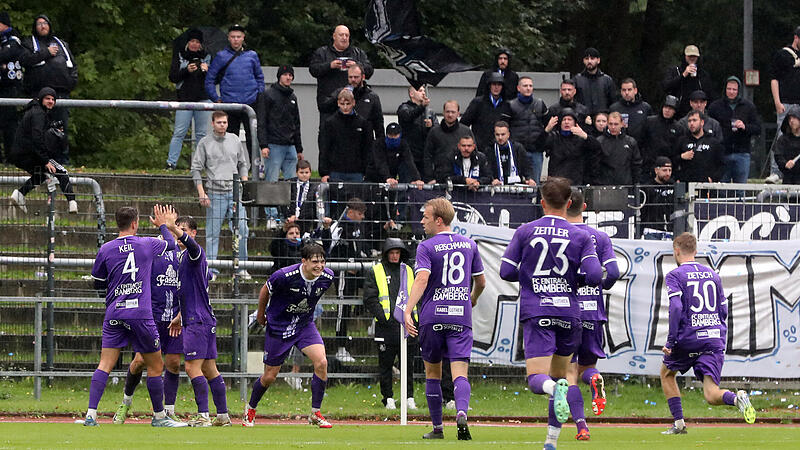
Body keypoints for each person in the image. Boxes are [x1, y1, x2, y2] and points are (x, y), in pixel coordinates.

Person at [498, 177, 602, 450]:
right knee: (560, 378)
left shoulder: (525, 231)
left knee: (538, 381)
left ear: (541, 202)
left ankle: (555, 393)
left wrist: (531, 276)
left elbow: (506, 271)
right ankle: (551, 442)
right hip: (569, 313)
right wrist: (572, 280)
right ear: (569, 203)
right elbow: (594, 274)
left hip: (538, 311)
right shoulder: (581, 235)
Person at [84, 205, 186, 427]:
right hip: (140, 313)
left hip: (115, 312)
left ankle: (91, 415)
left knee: (104, 364)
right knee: (156, 366)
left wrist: (114, 294)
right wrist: (162, 225)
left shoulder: (106, 248)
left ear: (117, 223)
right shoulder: (146, 244)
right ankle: (159, 417)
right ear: (135, 223)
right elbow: (170, 244)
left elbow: (98, 283)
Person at [403, 197, 486, 440]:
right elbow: (481, 281)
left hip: (432, 316)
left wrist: (408, 310)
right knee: (460, 372)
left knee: (433, 373)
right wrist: (473, 298)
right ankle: (461, 411)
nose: (422, 221)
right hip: (460, 316)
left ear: (438, 220)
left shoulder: (426, 247)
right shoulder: (470, 245)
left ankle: (438, 428)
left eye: (426, 217)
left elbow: (421, 279)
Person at [659, 233, 756, 435]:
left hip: (688, 338)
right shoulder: (713, 274)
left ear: (677, 251)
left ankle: (679, 424)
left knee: (667, 374)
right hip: (713, 337)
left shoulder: (675, 276)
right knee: (711, 394)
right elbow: (723, 309)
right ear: (695, 251)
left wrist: (671, 341)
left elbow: (676, 307)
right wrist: (716, 333)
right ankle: (736, 399)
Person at [243, 243, 335, 428]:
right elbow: (265, 291)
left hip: (304, 326)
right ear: (304, 262)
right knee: (269, 376)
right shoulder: (284, 276)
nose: (320, 265)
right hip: (279, 327)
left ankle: (315, 413)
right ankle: (250, 409)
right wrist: (261, 315)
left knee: (322, 362)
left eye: (322, 261)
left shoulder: (327, 277)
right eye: (315, 261)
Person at [112, 206, 184, 424]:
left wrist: (181, 314)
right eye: (171, 223)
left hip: (175, 319)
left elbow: (193, 286)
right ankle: (126, 402)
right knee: (140, 361)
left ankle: (168, 411)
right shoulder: (153, 249)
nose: (175, 228)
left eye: (177, 224)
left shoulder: (183, 255)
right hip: (151, 316)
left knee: (173, 363)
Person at [565, 188, 620, 440]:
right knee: (588, 366)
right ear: (584, 207)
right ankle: (596, 378)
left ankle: (581, 425)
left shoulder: (561, 235)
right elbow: (614, 272)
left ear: (562, 205)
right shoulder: (600, 237)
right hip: (593, 312)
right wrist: (600, 286)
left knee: (569, 373)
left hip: (566, 310)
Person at [191, 110, 250, 280]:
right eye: (219, 122)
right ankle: (212, 269)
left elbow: (242, 164)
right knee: (212, 233)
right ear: (212, 123)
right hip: (215, 192)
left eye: (225, 122)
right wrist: (202, 193)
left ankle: (241, 267)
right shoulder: (205, 143)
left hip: (234, 192)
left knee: (242, 230)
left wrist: (243, 183)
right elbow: (196, 169)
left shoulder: (235, 140)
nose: (222, 125)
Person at [363, 238, 419, 410]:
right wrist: (385, 318)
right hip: (386, 327)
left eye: (397, 253)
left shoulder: (409, 271)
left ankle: (409, 397)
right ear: (386, 254)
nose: (395, 256)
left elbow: (417, 295)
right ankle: (388, 398)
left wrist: (414, 320)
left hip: (407, 326)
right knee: (385, 365)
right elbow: (370, 299)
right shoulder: (376, 271)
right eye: (392, 253)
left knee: (408, 365)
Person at [8, 87, 77, 214]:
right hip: (28, 153)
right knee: (61, 171)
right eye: (47, 98)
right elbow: (37, 137)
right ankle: (72, 203)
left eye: (53, 99)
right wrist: (46, 160)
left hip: (21, 154)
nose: (51, 101)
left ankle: (19, 194)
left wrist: (52, 127)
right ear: (41, 99)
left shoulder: (37, 112)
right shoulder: (38, 113)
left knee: (41, 175)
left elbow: (37, 133)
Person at [20, 14, 77, 164]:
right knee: (38, 128)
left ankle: (62, 160)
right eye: (39, 24)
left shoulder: (62, 44)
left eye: (45, 23)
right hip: (38, 93)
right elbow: (24, 60)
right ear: (35, 27)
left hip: (60, 94)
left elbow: (73, 67)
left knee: (61, 127)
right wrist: (46, 53)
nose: (42, 26)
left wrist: (71, 82)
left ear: (49, 25)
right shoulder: (28, 44)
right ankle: (38, 159)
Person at [205, 24, 264, 164]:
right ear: (228, 38)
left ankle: (255, 167)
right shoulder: (221, 56)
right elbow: (209, 80)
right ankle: (230, 167)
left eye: (238, 37)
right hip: (230, 104)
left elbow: (260, 77)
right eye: (233, 37)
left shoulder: (252, 55)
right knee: (230, 138)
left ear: (243, 38)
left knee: (253, 137)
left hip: (250, 102)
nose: (236, 40)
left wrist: (259, 95)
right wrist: (216, 99)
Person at [310, 24, 373, 148]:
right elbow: (313, 69)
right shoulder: (322, 52)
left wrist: (356, 65)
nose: (344, 38)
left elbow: (369, 70)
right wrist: (330, 66)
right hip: (329, 104)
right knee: (328, 142)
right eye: (341, 35)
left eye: (347, 35)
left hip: (355, 105)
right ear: (334, 36)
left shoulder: (357, 53)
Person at [257, 64, 303, 227]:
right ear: (279, 76)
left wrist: (299, 148)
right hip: (273, 144)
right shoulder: (268, 95)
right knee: (272, 182)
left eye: (291, 75)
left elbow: (296, 123)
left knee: (291, 184)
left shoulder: (293, 97)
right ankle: (272, 216)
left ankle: (288, 215)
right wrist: (263, 144)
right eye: (285, 75)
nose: (288, 77)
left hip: (290, 146)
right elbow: (261, 121)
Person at [324, 198, 369, 362]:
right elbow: (329, 248)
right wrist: (345, 263)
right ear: (350, 212)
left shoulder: (358, 227)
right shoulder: (339, 227)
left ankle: (372, 326)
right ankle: (340, 347)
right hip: (344, 273)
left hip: (358, 271)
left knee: (372, 294)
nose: (362, 217)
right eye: (359, 213)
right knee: (343, 307)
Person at [166, 28, 212, 170]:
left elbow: (214, 79)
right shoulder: (180, 55)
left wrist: (206, 71)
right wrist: (187, 70)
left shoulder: (208, 57)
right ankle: (171, 163)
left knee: (201, 134)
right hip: (184, 99)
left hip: (203, 98)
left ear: (201, 44)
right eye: (192, 41)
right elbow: (173, 77)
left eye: (197, 42)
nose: (194, 44)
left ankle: (199, 164)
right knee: (179, 132)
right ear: (187, 42)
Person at [708, 76, 761, 184]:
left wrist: (745, 126)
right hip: (722, 153)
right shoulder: (715, 107)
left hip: (742, 153)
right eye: (729, 89)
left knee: (740, 190)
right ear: (725, 89)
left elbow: (758, 128)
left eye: (734, 89)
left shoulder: (748, 107)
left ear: (739, 90)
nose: (731, 92)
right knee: (722, 190)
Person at [767, 27, 800, 184]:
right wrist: (777, 101)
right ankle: (776, 172)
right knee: (782, 135)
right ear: (796, 38)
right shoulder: (782, 54)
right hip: (786, 102)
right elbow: (774, 78)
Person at [319, 89, 373, 183]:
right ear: (338, 103)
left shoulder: (362, 123)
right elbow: (324, 148)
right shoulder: (330, 123)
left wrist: (367, 172)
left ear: (353, 103)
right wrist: (324, 172)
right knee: (335, 197)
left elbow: (367, 148)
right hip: (335, 171)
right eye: (342, 104)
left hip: (357, 171)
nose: (345, 107)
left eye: (348, 104)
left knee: (357, 197)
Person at [322, 63, 384, 141]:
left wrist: (380, 146)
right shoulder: (340, 93)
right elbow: (324, 107)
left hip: (364, 140)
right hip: (343, 139)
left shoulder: (372, 97)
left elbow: (378, 124)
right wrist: (338, 96)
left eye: (356, 77)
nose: (353, 80)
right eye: (350, 77)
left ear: (363, 77)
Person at [542, 108, 600, 185]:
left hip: (575, 180)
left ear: (575, 123)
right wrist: (546, 130)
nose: (566, 122)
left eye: (570, 119)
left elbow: (597, 148)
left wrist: (585, 136)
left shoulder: (581, 138)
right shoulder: (554, 137)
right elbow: (538, 146)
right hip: (556, 180)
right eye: (564, 119)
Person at [509, 76, 549, 183]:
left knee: (535, 184)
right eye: (525, 85)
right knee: (516, 183)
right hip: (517, 151)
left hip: (536, 150)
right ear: (518, 88)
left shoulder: (540, 104)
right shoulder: (511, 105)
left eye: (530, 86)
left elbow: (548, 126)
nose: (528, 88)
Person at [424, 100, 474, 183]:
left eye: (453, 112)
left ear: (458, 114)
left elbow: (474, 154)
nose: (450, 115)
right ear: (443, 112)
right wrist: (429, 178)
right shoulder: (434, 132)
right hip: (439, 180)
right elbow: (427, 157)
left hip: (463, 180)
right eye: (447, 112)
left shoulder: (466, 131)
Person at [461, 72, 512, 151]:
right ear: (489, 86)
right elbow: (463, 124)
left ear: (503, 87)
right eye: (493, 84)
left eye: (499, 85)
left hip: (499, 148)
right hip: (480, 148)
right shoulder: (478, 103)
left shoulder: (507, 105)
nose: (496, 87)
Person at [663, 45, 715, 118]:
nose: (692, 58)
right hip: (678, 114)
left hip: (698, 115)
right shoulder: (675, 71)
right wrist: (683, 75)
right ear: (685, 56)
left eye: (694, 56)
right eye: (690, 56)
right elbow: (666, 87)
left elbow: (709, 95)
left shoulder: (703, 74)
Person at [673, 111, 724, 183]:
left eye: (694, 120)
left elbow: (721, 164)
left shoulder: (713, 142)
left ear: (702, 122)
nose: (691, 123)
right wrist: (682, 156)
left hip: (706, 185)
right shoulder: (682, 140)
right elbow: (672, 160)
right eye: (689, 121)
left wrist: (713, 178)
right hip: (687, 184)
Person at [594, 112, 642, 185]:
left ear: (622, 124)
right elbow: (595, 165)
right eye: (610, 124)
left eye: (616, 124)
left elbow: (636, 165)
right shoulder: (599, 141)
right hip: (605, 185)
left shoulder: (630, 142)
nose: (613, 127)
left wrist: (636, 183)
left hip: (626, 184)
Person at [398, 85, 436, 177]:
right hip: (409, 156)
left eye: (424, 91)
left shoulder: (430, 112)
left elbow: (436, 132)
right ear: (411, 94)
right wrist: (421, 107)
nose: (423, 93)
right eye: (420, 90)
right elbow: (408, 117)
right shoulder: (404, 108)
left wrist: (431, 127)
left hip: (425, 157)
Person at [0, 12, 23, 164]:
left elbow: (8, 54)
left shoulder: (13, 39)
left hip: (9, 88)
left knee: (9, 124)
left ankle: (12, 157)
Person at [641, 95, 682, 180]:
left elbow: (677, 149)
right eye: (666, 107)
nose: (667, 110)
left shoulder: (678, 128)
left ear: (675, 111)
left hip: (668, 169)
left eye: (671, 108)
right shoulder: (649, 122)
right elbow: (641, 142)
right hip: (649, 166)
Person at [283, 160, 326, 235]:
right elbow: (283, 201)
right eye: (301, 172)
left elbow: (315, 206)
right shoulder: (290, 184)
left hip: (306, 219)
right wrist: (289, 216)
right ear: (296, 173)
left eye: (306, 172)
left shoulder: (314, 187)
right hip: (291, 218)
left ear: (310, 173)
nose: (304, 175)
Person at [488, 121, 536, 186]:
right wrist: (492, 179)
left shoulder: (518, 148)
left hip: (515, 187)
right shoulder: (490, 149)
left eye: (503, 134)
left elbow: (526, 167)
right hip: (497, 186)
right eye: (497, 134)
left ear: (508, 135)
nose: (500, 138)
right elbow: (487, 170)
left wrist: (530, 178)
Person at [574, 48, 615, 116]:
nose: (589, 61)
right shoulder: (577, 80)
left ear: (598, 60)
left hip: (602, 121)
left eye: (592, 58)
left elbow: (613, 103)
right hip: (583, 120)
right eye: (587, 58)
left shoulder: (607, 80)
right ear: (583, 60)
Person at [609, 78, 652, 143]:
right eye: (624, 90)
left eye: (629, 90)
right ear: (621, 91)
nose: (626, 93)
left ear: (635, 90)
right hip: (619, 145)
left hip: (641, 146)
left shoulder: (645, 107)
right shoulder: (614, 108)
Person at [641, 156, 676, 234]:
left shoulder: (674, 186)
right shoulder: (647, 187)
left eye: (670, 170)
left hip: (671, 230)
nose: (668, 173)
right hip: (652, 229)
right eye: (664, 170)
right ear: (656, 170)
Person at [775, 106, 800, 184]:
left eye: (794, 118)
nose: (791, 121)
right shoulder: (783, 139)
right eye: (789, 119)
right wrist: (785, 163)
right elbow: (778, 156)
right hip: (789, 180)